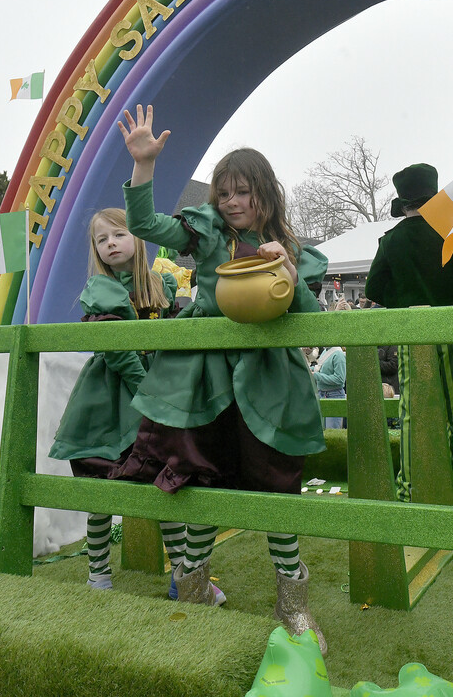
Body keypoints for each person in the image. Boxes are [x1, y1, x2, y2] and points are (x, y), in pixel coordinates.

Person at [111, 105, 329, 652]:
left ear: (266, 194)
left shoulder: (295, 250)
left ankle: (293, 605)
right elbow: (145, 226)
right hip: (204, 382)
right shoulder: (205, 233)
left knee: (276, 485)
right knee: (203, 478)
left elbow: (309, 317)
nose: (232, 202)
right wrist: (143, 168)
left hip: (268, 385)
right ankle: (194, 592)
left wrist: (284, 268)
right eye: (224, 192)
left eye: (242, 192)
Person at [47, 209, 202, 597]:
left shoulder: (159, 284)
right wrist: (150, 389)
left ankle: (182, 577)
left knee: (165, 483)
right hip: (108, 401)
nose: (111, 243)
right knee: (99, 490)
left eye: (118, 234)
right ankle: (98, 573)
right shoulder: (101, 289)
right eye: (102, 240)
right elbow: (117, 352)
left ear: (138, 239)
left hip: (155, 393)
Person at [365, 162, 453, 506]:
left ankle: (410, 489)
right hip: (452, 331)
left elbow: (373, 288)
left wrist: (404, 303)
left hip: (412, 338)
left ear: (404, 203)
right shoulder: (452, 233)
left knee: (411, 413)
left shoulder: (391, 241)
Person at [309, 345, 346, 430]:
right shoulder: (326, 351)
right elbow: (320, 367)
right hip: (322, 394)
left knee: (332, 431)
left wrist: (316, 376)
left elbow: (340, 379)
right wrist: (309, 369)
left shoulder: (338, 355)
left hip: (334, 395)